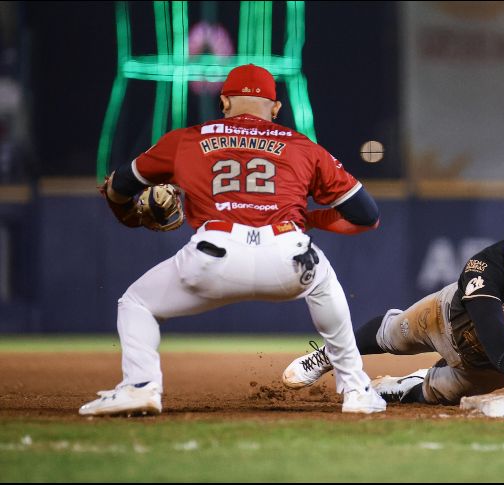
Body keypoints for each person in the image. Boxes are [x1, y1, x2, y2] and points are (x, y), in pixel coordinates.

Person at [80, 64, 387, 416]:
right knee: (321, 277)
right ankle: (357, 389)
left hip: (213, 255)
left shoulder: (185, 140)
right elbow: (366, 215)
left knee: (136, 303)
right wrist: (308, 220)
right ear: (275, 109)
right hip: (287, 254)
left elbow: (118, 187)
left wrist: (130, 216)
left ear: (224, 102)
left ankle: (140, 387)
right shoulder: (304, 147)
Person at [282, 199, 504, 405]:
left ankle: (391, 387)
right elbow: (489, 324)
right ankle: (328, 355)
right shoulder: (487, 263)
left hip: (487, 369)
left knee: (432, 393)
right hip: (445, 322)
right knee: (393, 334)